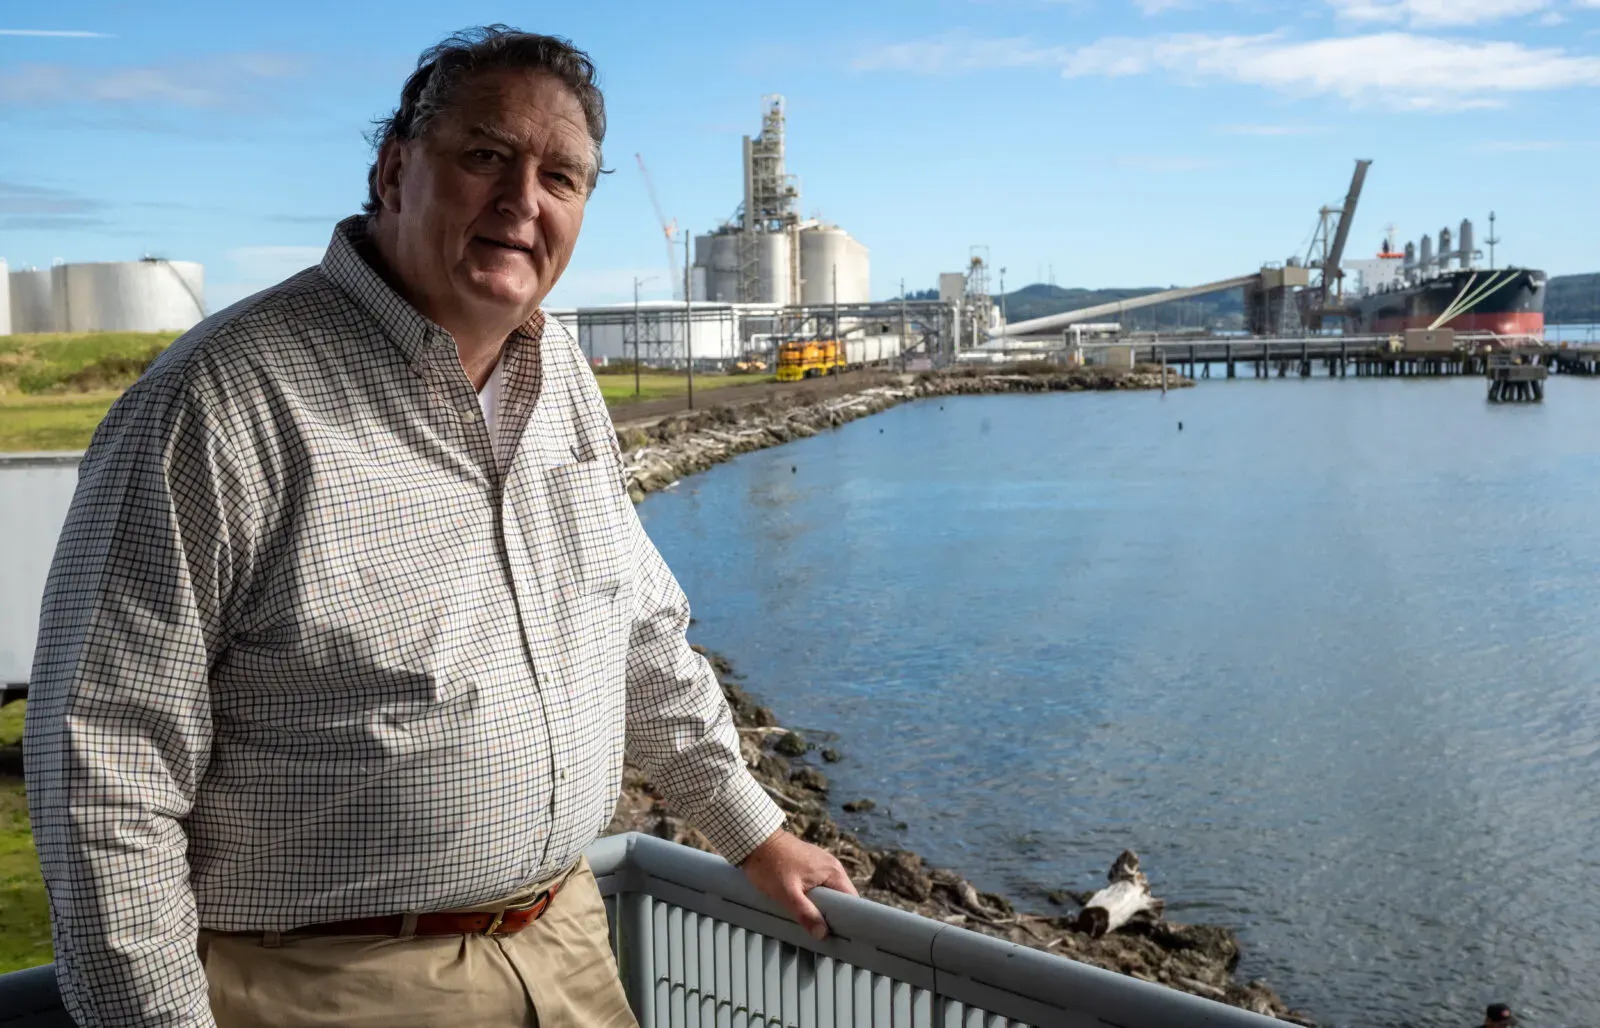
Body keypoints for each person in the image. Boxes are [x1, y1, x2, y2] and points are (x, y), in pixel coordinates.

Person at [24, 25, 853, 1028]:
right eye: (485, 157)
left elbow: (637, 636)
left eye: (561, 176)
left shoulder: (565, 386)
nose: (521, 201)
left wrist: (756, 833)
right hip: (324, 984)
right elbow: (103, 769)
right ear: (392, 171)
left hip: (565, 945)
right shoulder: (219, 403)